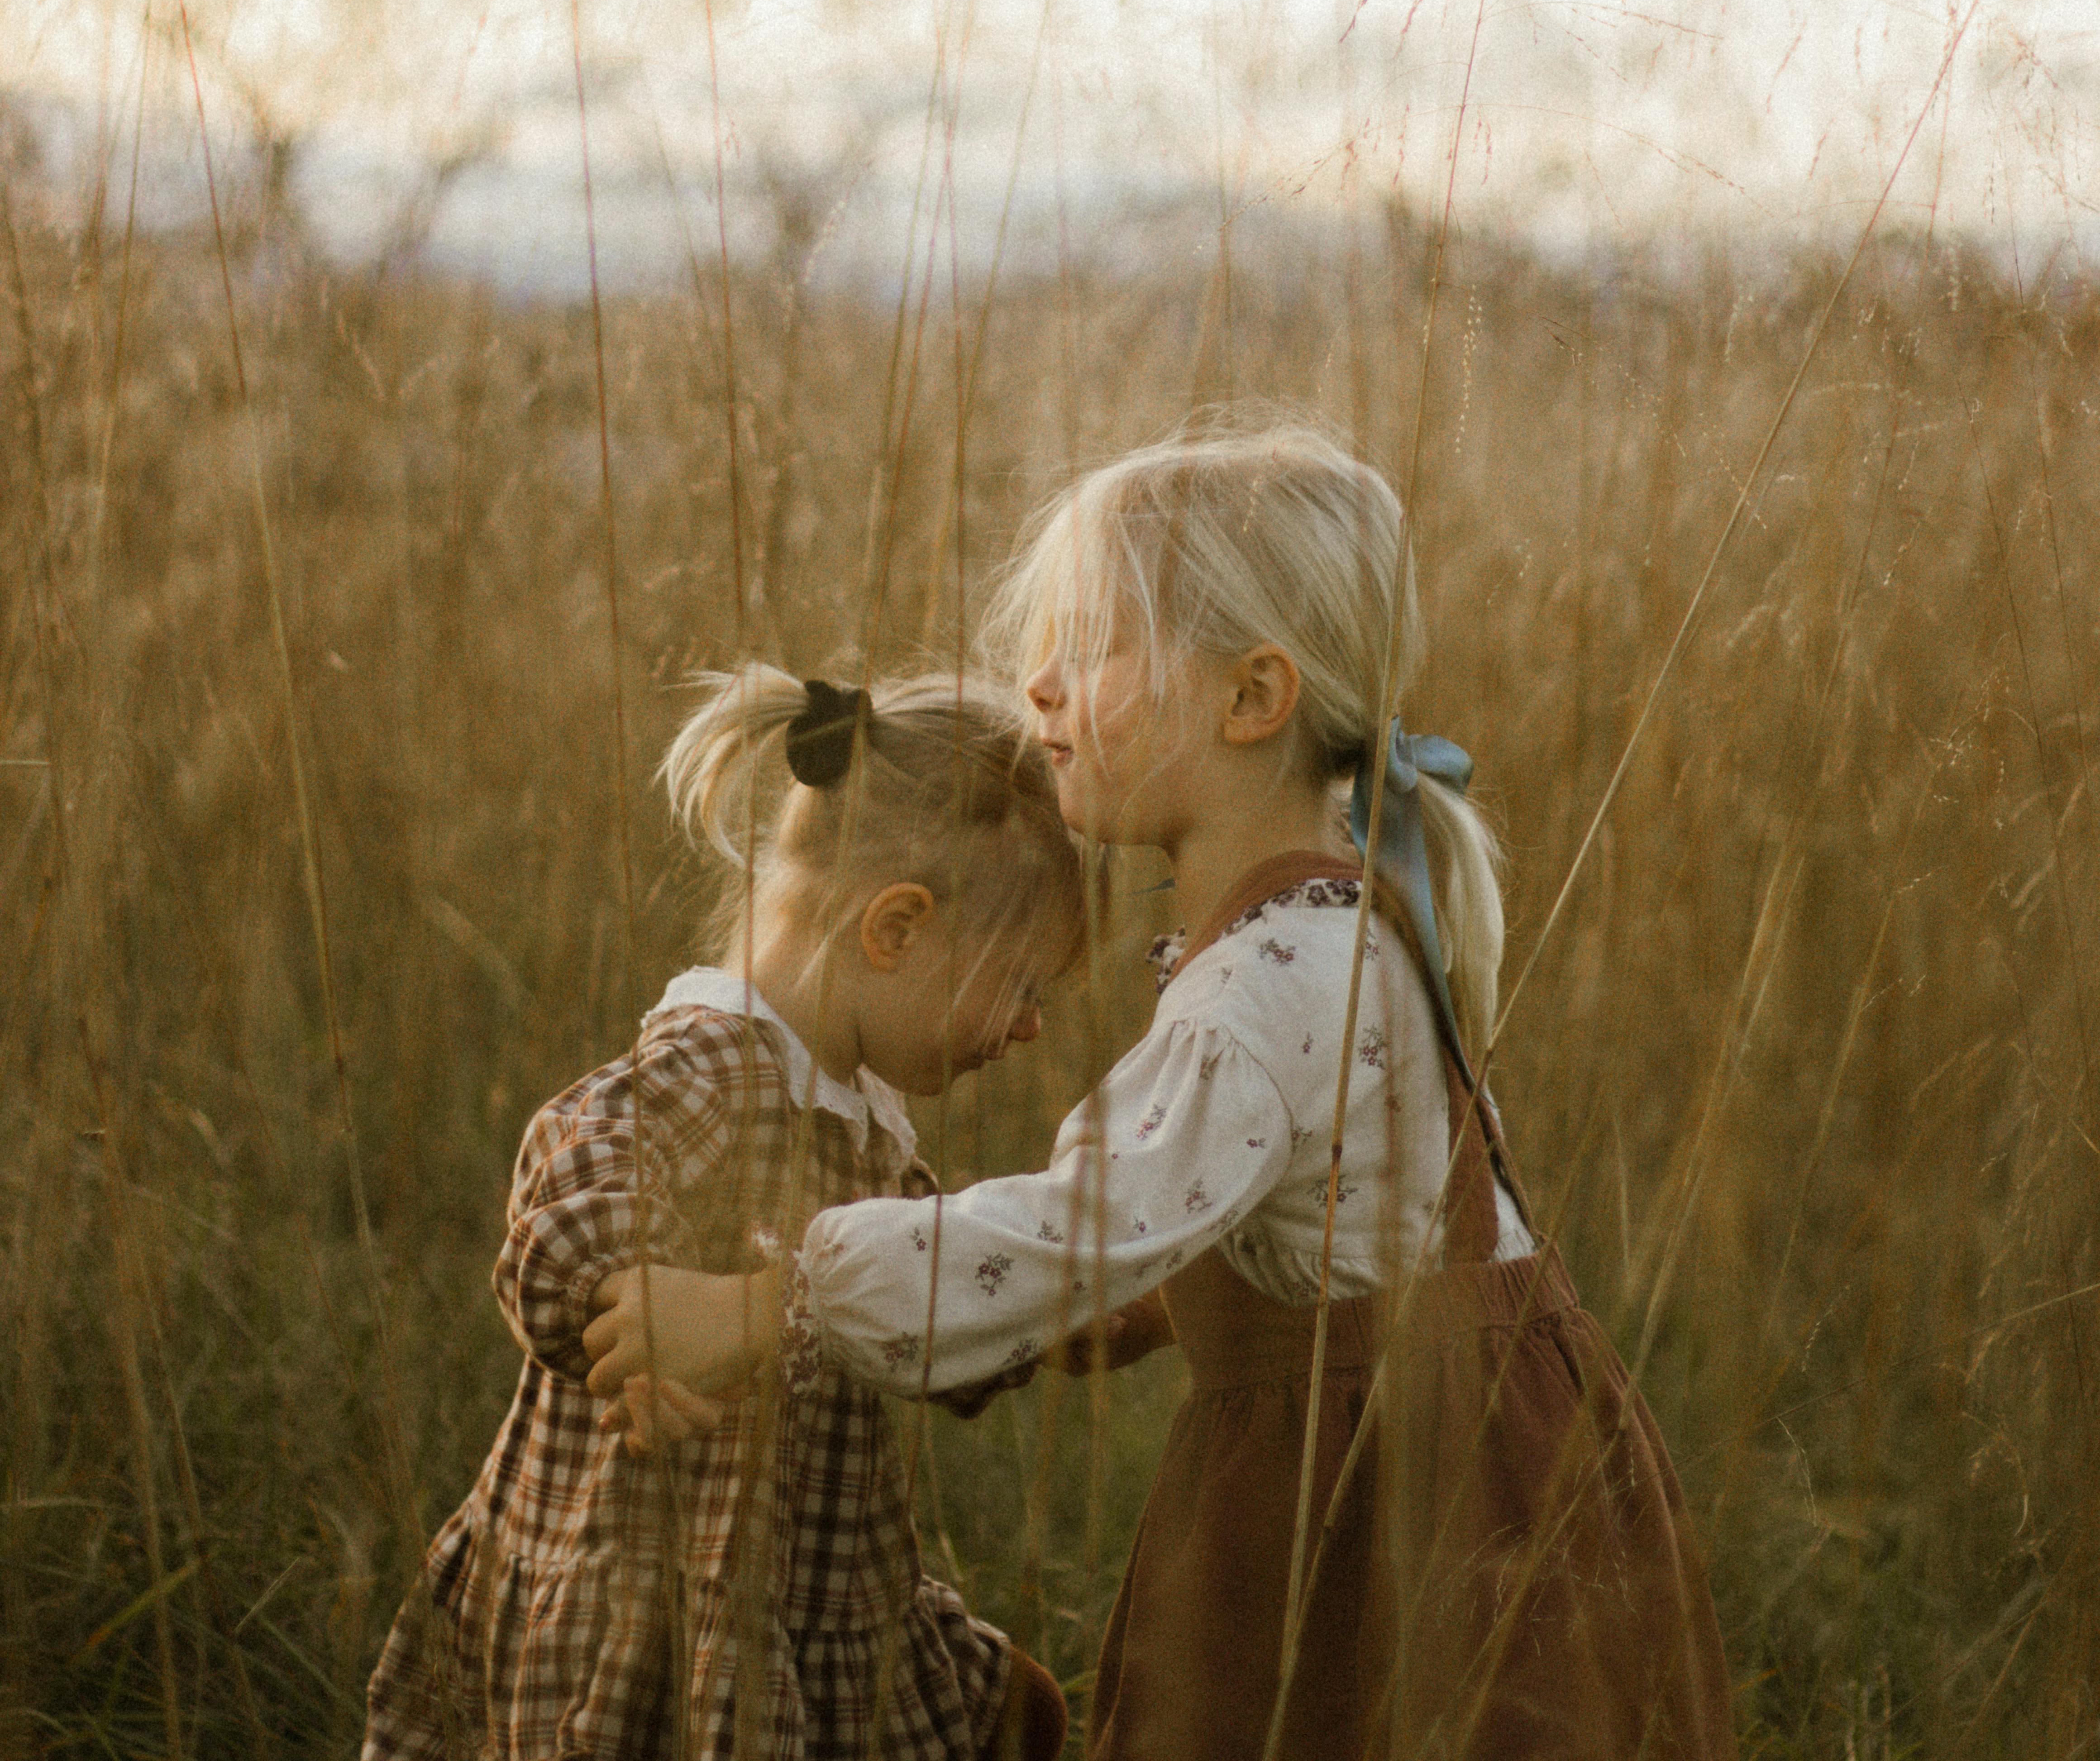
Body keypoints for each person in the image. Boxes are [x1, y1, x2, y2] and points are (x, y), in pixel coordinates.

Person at [586, 422, 1737, 1760]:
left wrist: (769, 1306)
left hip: (1397, 1501)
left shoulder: (1265, 991)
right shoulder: (1327, 920)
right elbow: (1347, 1221)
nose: (1040, 689)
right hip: (1470, 1458)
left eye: (1091, 650)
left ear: (1253, 699)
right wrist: (1160, 1304)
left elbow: (1069, 1229)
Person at [363, 666, 1083, 1761]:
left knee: (1001, 1714)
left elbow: (924, 1304)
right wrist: (627, 1304)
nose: (1030, 1027)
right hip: (663, 1588)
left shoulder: (854, 1117)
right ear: (895, 929)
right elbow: (569, 1179)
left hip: (808, 1584)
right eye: (1021, 985)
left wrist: (1068, 1307)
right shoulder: (721, 1071)